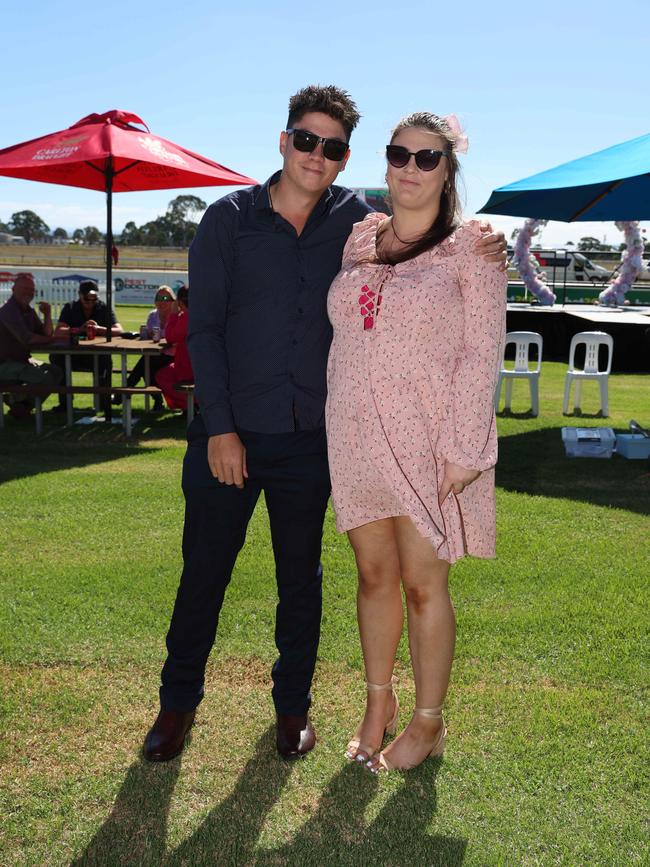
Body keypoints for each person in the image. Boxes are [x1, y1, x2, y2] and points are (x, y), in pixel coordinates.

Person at [143, 85, 507, 764]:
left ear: (344, 160)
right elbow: (208, 331)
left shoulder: (363, 225)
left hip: (318, 441)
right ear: (283, 141)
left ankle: (293, 712)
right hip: (241, 435)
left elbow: (461, 309)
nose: (316, 154)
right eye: (305, 139)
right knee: (204, 576)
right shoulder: (235, 221)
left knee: (301, 584)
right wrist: (219, 426)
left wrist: (484, 234)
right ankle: (176, 705)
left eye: (331, 146)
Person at [325, 112, 506, 773]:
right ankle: (380, 702)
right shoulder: (359, 240)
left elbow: (481, 353)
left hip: (428, 441)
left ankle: (428, 721)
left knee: (425, 585)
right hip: (353, 434)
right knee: (372, 576)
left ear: (447, 168)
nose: (410, 166)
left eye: (427, 157)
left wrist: (464, 447)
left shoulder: (472, 251)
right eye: (399, 153)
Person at [49, 279, 123, 413]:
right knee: (56, 357)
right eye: (86, 300)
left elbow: (119, 330)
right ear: (79, 295)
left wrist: (99, 328)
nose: (90, 303)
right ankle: (65, 403)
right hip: (73, 355)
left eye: (93, 300)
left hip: (97, 354)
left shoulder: (103, 308)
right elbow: (58, 331)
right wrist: (79, 329)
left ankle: (103, 402)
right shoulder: (70, 307)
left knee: (106, 359)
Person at [0, 273, 64, 418]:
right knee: (44, 377)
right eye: (25, 288)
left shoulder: (28, 311)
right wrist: (53, 339)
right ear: (13, 289)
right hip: (4, 364)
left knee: (56, 371)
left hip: (22, 361)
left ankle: (21, 405)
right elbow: (28, 339)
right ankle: (18, 401)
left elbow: (46, 334)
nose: (29, 292)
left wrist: (47, 314)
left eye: (31, 289)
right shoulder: (8, 311)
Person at [113, 285, 176, 410]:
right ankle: (157, 401)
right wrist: (146, 334)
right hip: (155, 354)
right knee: (147, 366)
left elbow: (175, 338)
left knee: (145, 365)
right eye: (158, 298)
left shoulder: (176, 316)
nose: (161, 301)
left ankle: (122, 394)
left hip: (172, 355)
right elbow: (148, 338)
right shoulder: (153, 315)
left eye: (165, 298)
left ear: (172, 301)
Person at [155, 286, 192, 411]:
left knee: (162, 376)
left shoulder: (186, 317)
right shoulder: (200, 314)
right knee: (162, 373)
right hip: (196, 364)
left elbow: (170, 337)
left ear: (179, 302)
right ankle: (189, 405)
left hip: (187, 366)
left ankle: (191, 404)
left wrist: (174, 314)